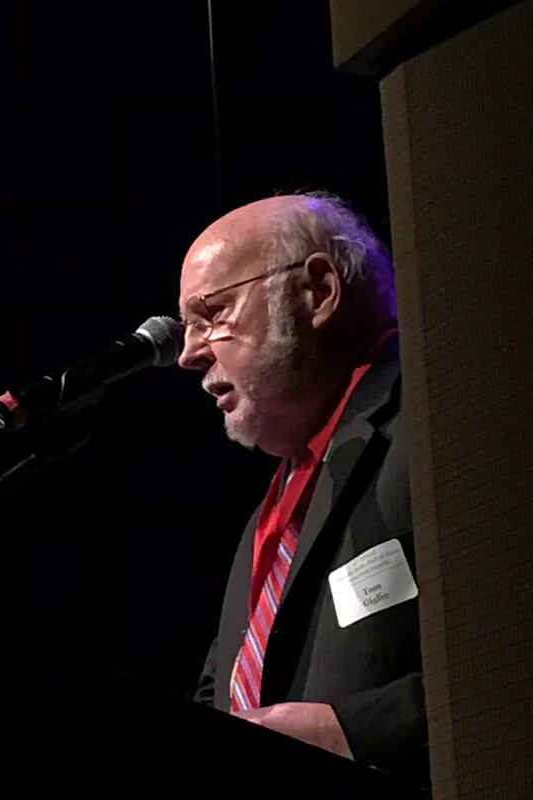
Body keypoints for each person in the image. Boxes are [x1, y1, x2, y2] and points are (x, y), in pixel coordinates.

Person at [177, 192, 428, 786]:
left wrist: (354, 733)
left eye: (210, 313)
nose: (188, 353)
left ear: (317, 292)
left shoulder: (433, 419)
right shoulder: (265, 527)